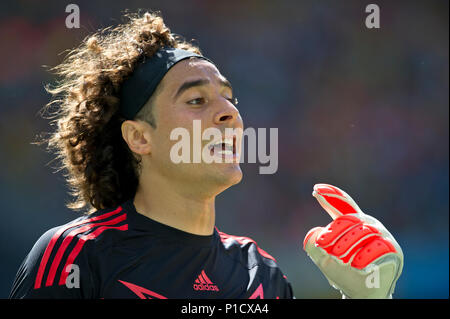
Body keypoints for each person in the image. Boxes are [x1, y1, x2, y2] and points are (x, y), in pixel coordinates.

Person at [10, 11, 402, 299]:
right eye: (196, 100)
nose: (229, 114)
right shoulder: (76, 255)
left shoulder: (261, 273)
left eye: (229, 98)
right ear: (139, 137)